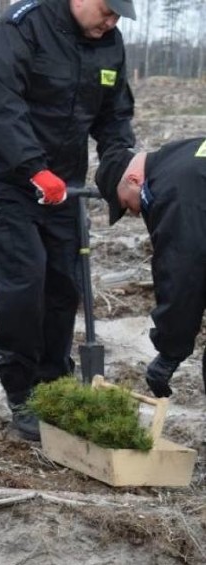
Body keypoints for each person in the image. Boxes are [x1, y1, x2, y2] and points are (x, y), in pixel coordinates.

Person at [0, 0, 136, 441]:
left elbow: (114, 117)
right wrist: (33, 168)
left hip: (63, 183)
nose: (112, 21)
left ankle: (54, 385)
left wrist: (120, 170)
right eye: (108, 10)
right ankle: (22, 390)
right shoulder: (20, 29)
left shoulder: (109, 43)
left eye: (119, 15)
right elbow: (3, 105)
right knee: (26, 280)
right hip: (4, 177)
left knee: (64, 283)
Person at [95, 137, 206, 398]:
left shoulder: (172, 189)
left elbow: (183, 273)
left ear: (133, 179)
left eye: (125, 203)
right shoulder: (185, 153)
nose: (134, 212)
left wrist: (170, 351)